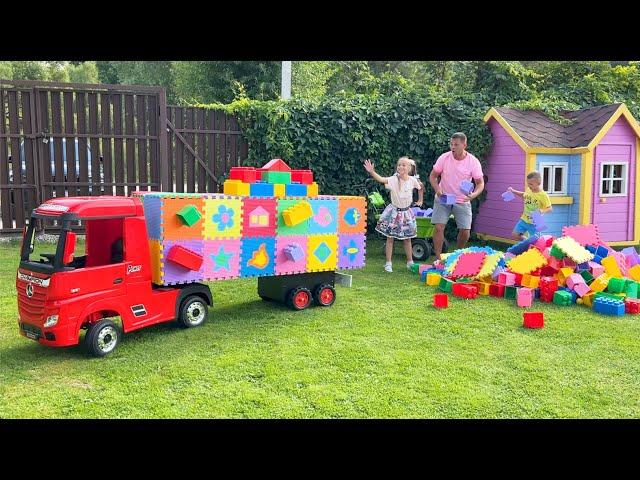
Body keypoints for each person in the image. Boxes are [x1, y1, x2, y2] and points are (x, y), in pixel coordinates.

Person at [429, 132, 485, 260]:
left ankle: (456, 256)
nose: (452, 147)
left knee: (465, 230)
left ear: (464, 145)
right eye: (451, 144)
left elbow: (480, 183)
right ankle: (438, 258)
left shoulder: (473, 161)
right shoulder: (444, 158)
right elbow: (433, 176)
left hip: (462, 200)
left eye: (456, 145)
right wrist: (437, 189)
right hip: (443, 198)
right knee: (438, 227)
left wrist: (474, 195)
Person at [364, 156, 423, 272]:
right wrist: (372, 172)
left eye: (403, 165)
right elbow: (381, 179)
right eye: (399, 165)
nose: (400, 166)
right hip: (394, 212)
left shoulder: (412, 180)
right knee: (390, 238)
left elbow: (421, 187)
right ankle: (388, 263)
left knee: (408, 238)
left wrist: (420, 199)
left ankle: (410, 262)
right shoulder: (393, 179)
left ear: (409, 168)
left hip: (406, 213)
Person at [507, 171, 552, 240]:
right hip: (524, 218)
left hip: (536, 220)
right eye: (528, 183)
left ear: (538, 183)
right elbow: (524, 195)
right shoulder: (529, 190)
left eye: (531, 184)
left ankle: (533, 246)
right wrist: (513, 191)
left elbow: (550, 208)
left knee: (536, 241)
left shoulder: (543, 195)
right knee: (515, 235)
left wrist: (542, 211)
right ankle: (527, 242)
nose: (529, 186)